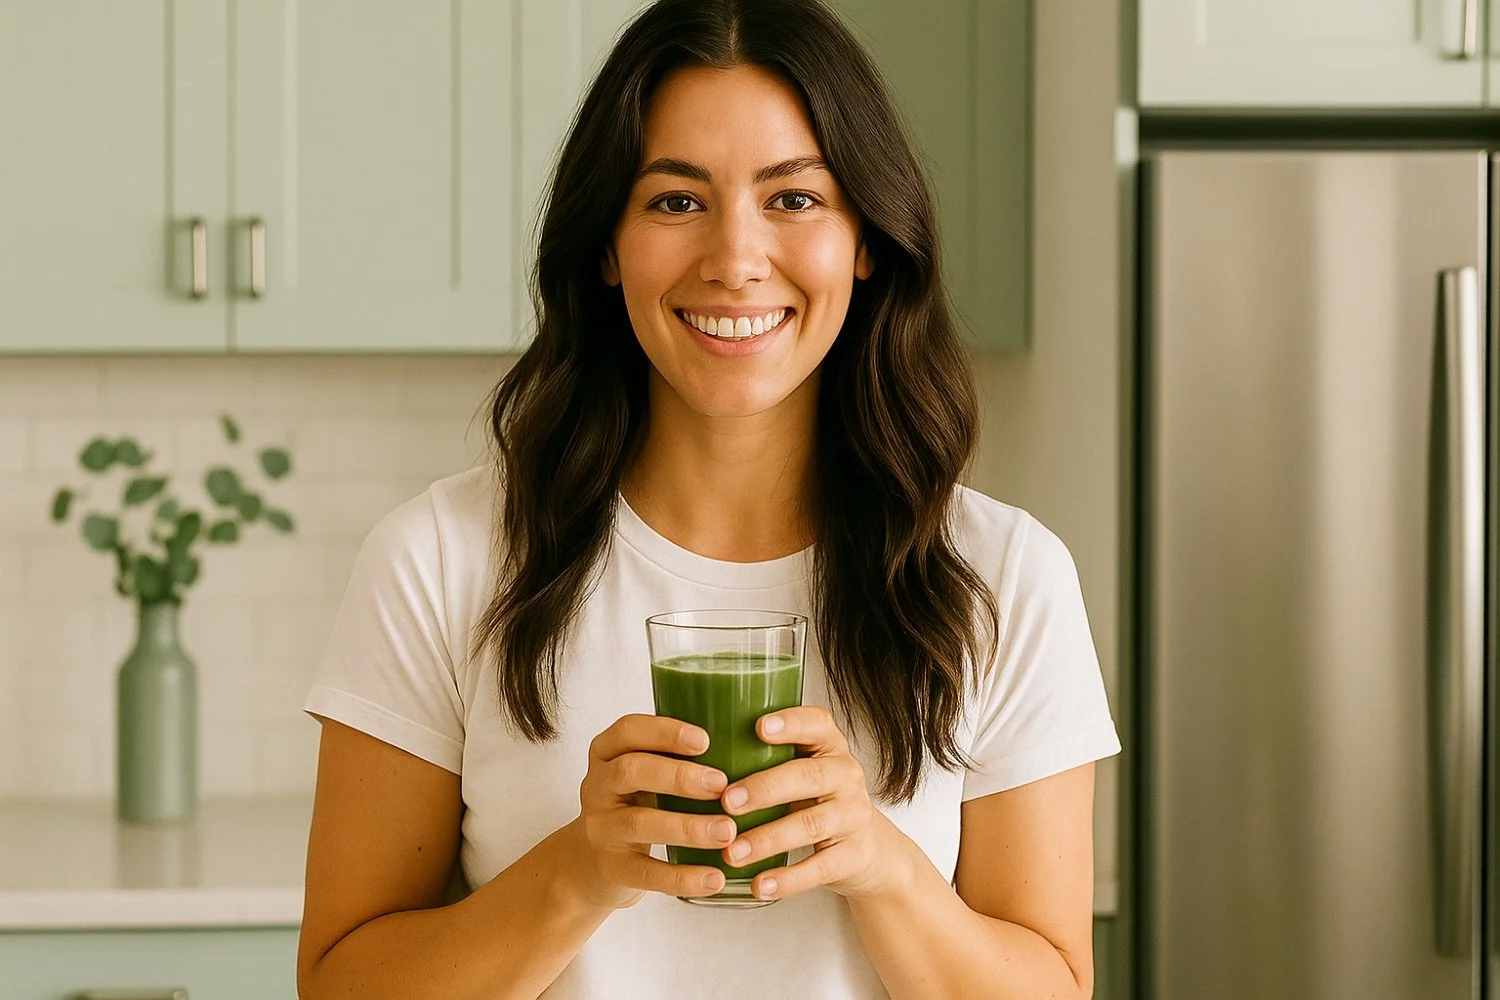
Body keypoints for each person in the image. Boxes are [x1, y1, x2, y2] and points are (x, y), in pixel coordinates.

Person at [295, 0, 1121, 996]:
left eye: (795, 199)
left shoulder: (1001, 578)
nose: (734, 259)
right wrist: (582, 870)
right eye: (677, 201)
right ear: (607, 245)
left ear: (866, 237)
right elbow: (341, 984)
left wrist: (878, 864)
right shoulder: (443, 560)